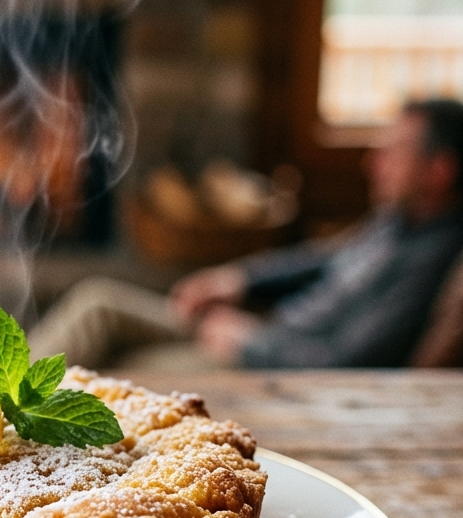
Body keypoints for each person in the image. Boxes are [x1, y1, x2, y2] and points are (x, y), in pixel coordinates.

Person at [29, 99, 463, 369]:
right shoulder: (395, 222)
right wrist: (238, 280)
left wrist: (252, 344)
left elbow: (355, 359)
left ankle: (2, 427)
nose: (373, 163)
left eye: (393, 152)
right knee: (98, 304)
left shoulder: (432, 257)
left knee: (123, 363)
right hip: (260, 330)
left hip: (269, 364)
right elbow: (320, 260)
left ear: (439, 171)